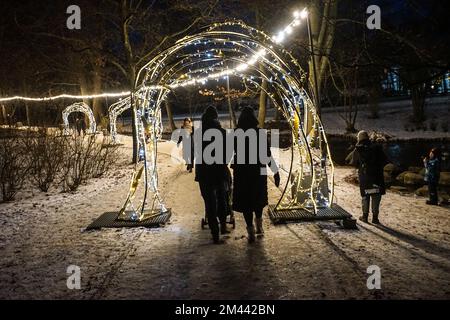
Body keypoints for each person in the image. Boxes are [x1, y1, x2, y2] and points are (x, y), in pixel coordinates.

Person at [231, 107, 280, 243]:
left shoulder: (236, 134)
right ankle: (259, 227)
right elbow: (267, 155)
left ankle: (250, 231)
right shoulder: (260, 134)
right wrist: (275, 171)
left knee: (246, 203)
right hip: (258, 172)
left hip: (242, 173)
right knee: (257, 201)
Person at [195, 106, 230, 244]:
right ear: (216, 118)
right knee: (222, 198)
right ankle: (223, 225)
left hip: (204, 173)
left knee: (209, 202)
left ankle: (214, 232)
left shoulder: (198, 133)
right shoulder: (221, 132)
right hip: (219, 171)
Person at [347, 130, 388, 224]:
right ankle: (375, 218)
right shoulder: (376, 147)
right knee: (376, 195)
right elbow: (385, 160)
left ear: (359, 138)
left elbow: (353, 162)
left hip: (365, 176)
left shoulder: (358, 149)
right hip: (377, 176)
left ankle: (365, 217)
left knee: (365, 196)